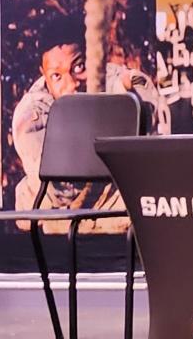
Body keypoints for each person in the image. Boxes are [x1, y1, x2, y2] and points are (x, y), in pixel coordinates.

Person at [11, 17, 156, 233]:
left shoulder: (118, 80)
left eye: (78, 67)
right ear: (44, 76)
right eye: (57, 76)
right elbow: (60, 189)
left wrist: (123, 94)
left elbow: (151, 141)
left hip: (114, 203)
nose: (71, 84)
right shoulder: (32, 113)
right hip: (60, 214)